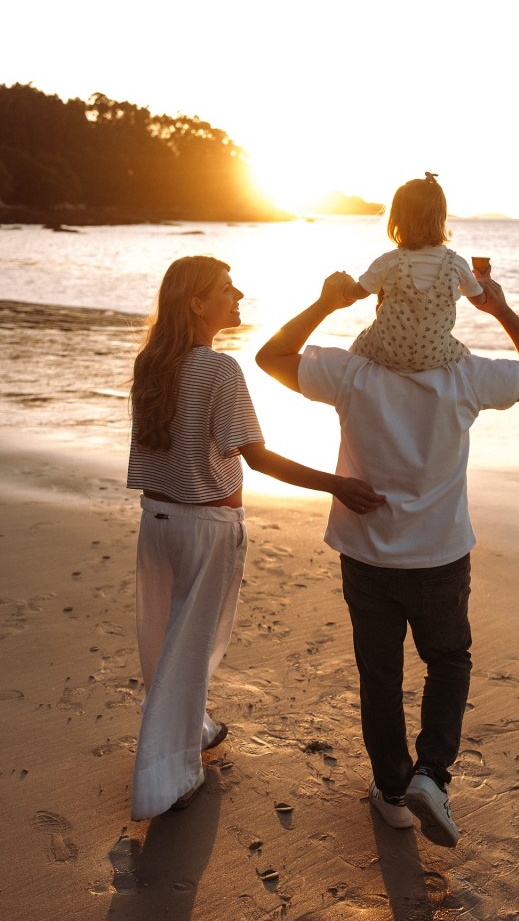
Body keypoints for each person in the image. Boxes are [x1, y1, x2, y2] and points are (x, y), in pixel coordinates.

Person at [255, 267, 519, 847]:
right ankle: (431, 775)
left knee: (380, 674)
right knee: (448, 662)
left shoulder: (350, 372)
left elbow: (271, 356)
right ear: (448, 302)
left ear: (382, 298)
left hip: (365, 553)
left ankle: (393, 793)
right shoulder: (465, 376)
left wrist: (325, 303)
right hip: (439, 555)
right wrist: (497, 309)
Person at [127, 255, 384, 821]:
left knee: (165, 641)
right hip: (204, 527)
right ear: (197, 303)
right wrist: (336, 483)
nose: (237, 294)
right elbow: (257, 457)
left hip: (156, 523)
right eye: (225, 289)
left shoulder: (151, 362)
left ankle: (198, 727)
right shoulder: (219, 371)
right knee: (191, 650)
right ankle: (168, 777)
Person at [342, 173, 488, 372]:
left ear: (397, 220)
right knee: (465, 356)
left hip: (385, 351)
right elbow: (480, 300)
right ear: (442, 218)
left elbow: (359, 292)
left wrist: (345, 286)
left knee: (358, 348)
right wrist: (482, 280)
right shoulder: (457, 264)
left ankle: (355, 381)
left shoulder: (389, 261)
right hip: (435, 356)